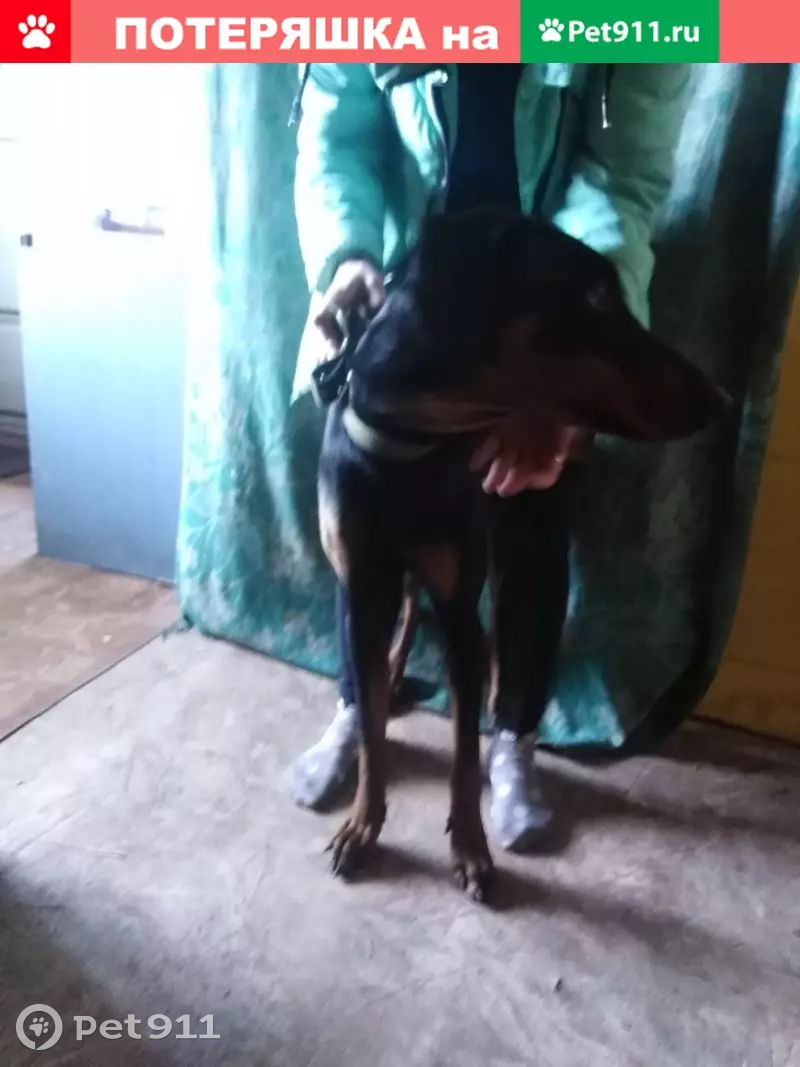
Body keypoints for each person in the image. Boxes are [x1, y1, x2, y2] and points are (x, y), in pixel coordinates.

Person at [285, 62, 689, 851]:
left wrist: (565, 366)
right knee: (366, 520)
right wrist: (346, 257)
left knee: (529, 506)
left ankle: (512, 738)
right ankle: (359, 706)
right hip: (404, 292)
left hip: (537, 305)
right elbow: (338, 134)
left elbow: (621, 180)